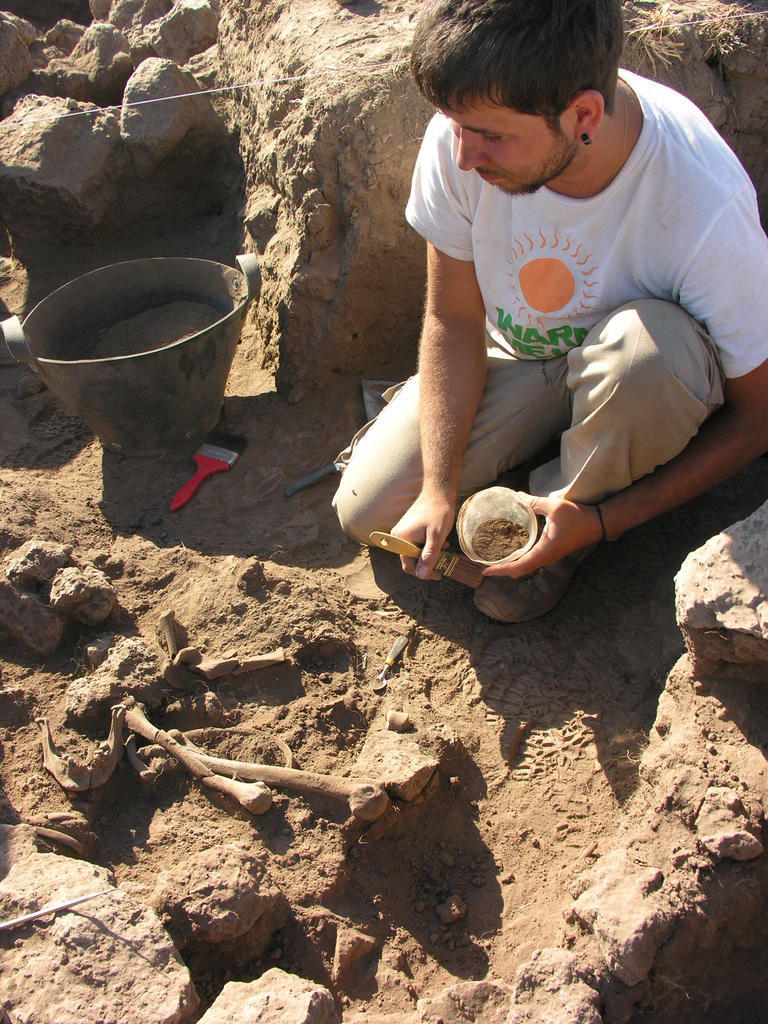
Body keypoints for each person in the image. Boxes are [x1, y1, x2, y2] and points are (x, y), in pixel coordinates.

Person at [332, 0, 768, 623]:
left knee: (646, 358)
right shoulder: (470, 123)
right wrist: (437, 488)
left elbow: (758, 419)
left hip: (638, 380)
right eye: (454, 125)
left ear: (583, 115)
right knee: (370, 512)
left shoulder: (702, 203)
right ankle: (512, 446)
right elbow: (453, 316)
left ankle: (564, 514)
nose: (463, 157)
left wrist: (600, 520)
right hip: (521, 352)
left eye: (492, 137)